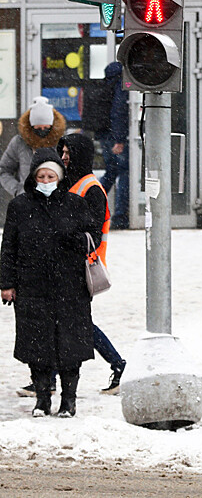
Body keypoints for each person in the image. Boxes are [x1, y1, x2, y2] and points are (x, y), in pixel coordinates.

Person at [0, 148, 98, 417]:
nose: (45, 181)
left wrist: (73, 240)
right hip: (32, 287)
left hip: (70, 287)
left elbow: (93, 236)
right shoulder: (19, 206)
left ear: (60, 177)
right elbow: (8, 247)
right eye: (41, 176)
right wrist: (6, 283)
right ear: (34, 177)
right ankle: (42, 399)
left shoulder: (75, 204)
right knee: (37, 346)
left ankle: (69, 400)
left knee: (70, 346)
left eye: (50, 175)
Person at [59, 133, 127, 394]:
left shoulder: (90, 188)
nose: (64, 157)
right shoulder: (73, 183)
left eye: (68, 153)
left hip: (82, 266)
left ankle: (118, 365)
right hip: (71, 264)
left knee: (74, 322)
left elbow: (93, 233)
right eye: (62, 152)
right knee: (73, 322)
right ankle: (118, 365)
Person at [0, 96, 66, 198]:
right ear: (31, 126)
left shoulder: (62, 143)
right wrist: (18, 190)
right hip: (26, 201)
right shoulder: (19, 142)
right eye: (38, 127)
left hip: (57, 201)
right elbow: (4, 170)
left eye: (46, 127)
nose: (42, 130)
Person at [96, 61, 130, 229]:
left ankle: (91, 202)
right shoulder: (120, 87)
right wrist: (120, 139)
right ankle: (121, 216)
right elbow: (119, 112)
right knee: (124, 173)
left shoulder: (105, 86)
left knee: (111, 172)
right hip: (114, 136)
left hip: (105, 134)